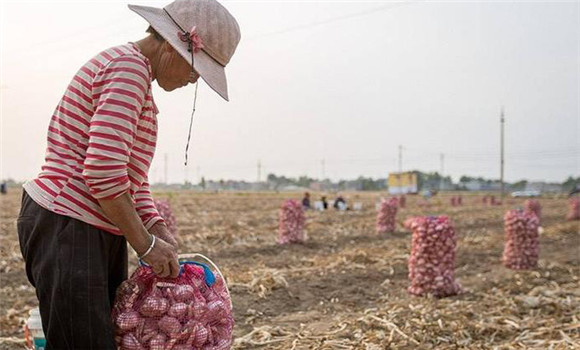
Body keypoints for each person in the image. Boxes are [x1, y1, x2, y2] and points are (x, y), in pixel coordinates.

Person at [16, 0, 240, 348]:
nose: (194, 80)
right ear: (171, 46)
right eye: (196, 69)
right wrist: (146, 245)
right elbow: (103, 173)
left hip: (91, 225)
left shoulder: (136, 80)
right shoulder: (128, 71)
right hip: (69, 223)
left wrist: (155, 226)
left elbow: (130, 179)